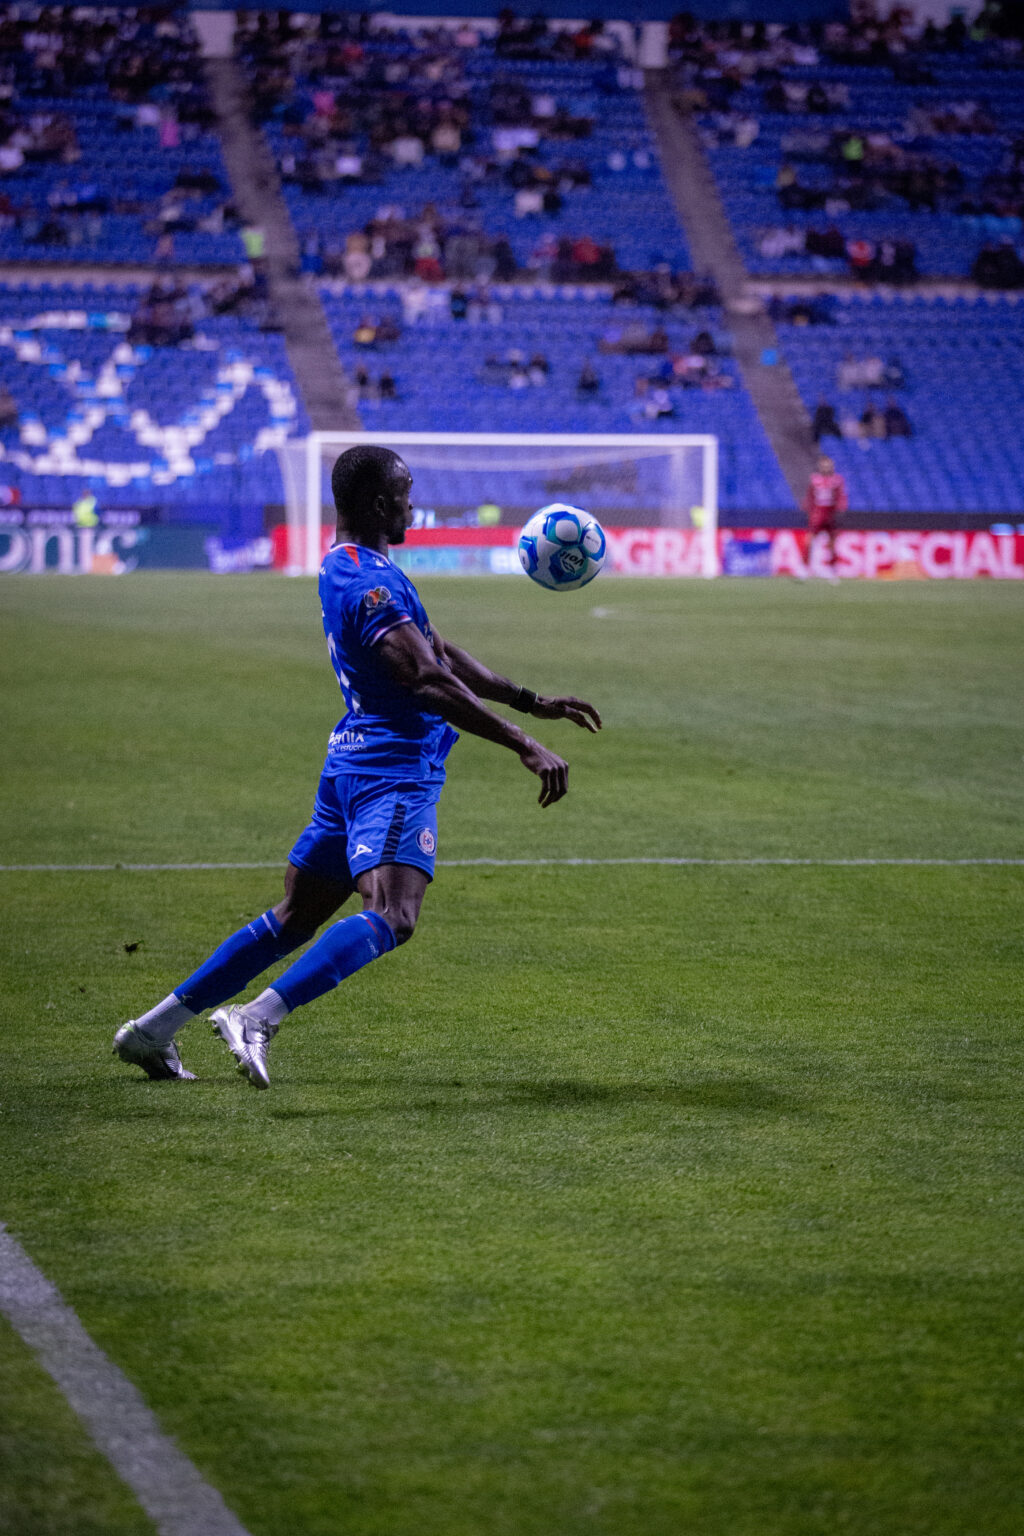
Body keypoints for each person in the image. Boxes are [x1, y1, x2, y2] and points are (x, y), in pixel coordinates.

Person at [113, 446, 601, 1088]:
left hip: (353, 762)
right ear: (376, 502)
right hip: (392, 771)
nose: (411, 505)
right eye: (404, 494)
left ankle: (151, 1032)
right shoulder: (368, 584)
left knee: (295, 916)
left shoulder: (356, 567)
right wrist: (521, 742)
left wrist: (530, 701)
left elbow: (438, 652)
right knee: (394, 912)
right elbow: (426, 678)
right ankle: (257, 1017)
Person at [802, 453, 847, 579]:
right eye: (824, 465)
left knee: (832, 544)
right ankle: (805, 568)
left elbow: (840, 497)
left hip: (831, 516)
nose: (826, 467)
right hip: (817, 515)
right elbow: (809, 497)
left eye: (828, 465)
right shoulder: (815, 480)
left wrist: (840, 510)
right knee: (809, 541)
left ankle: (832, 569)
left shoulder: (837, 480)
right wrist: (808, 511)